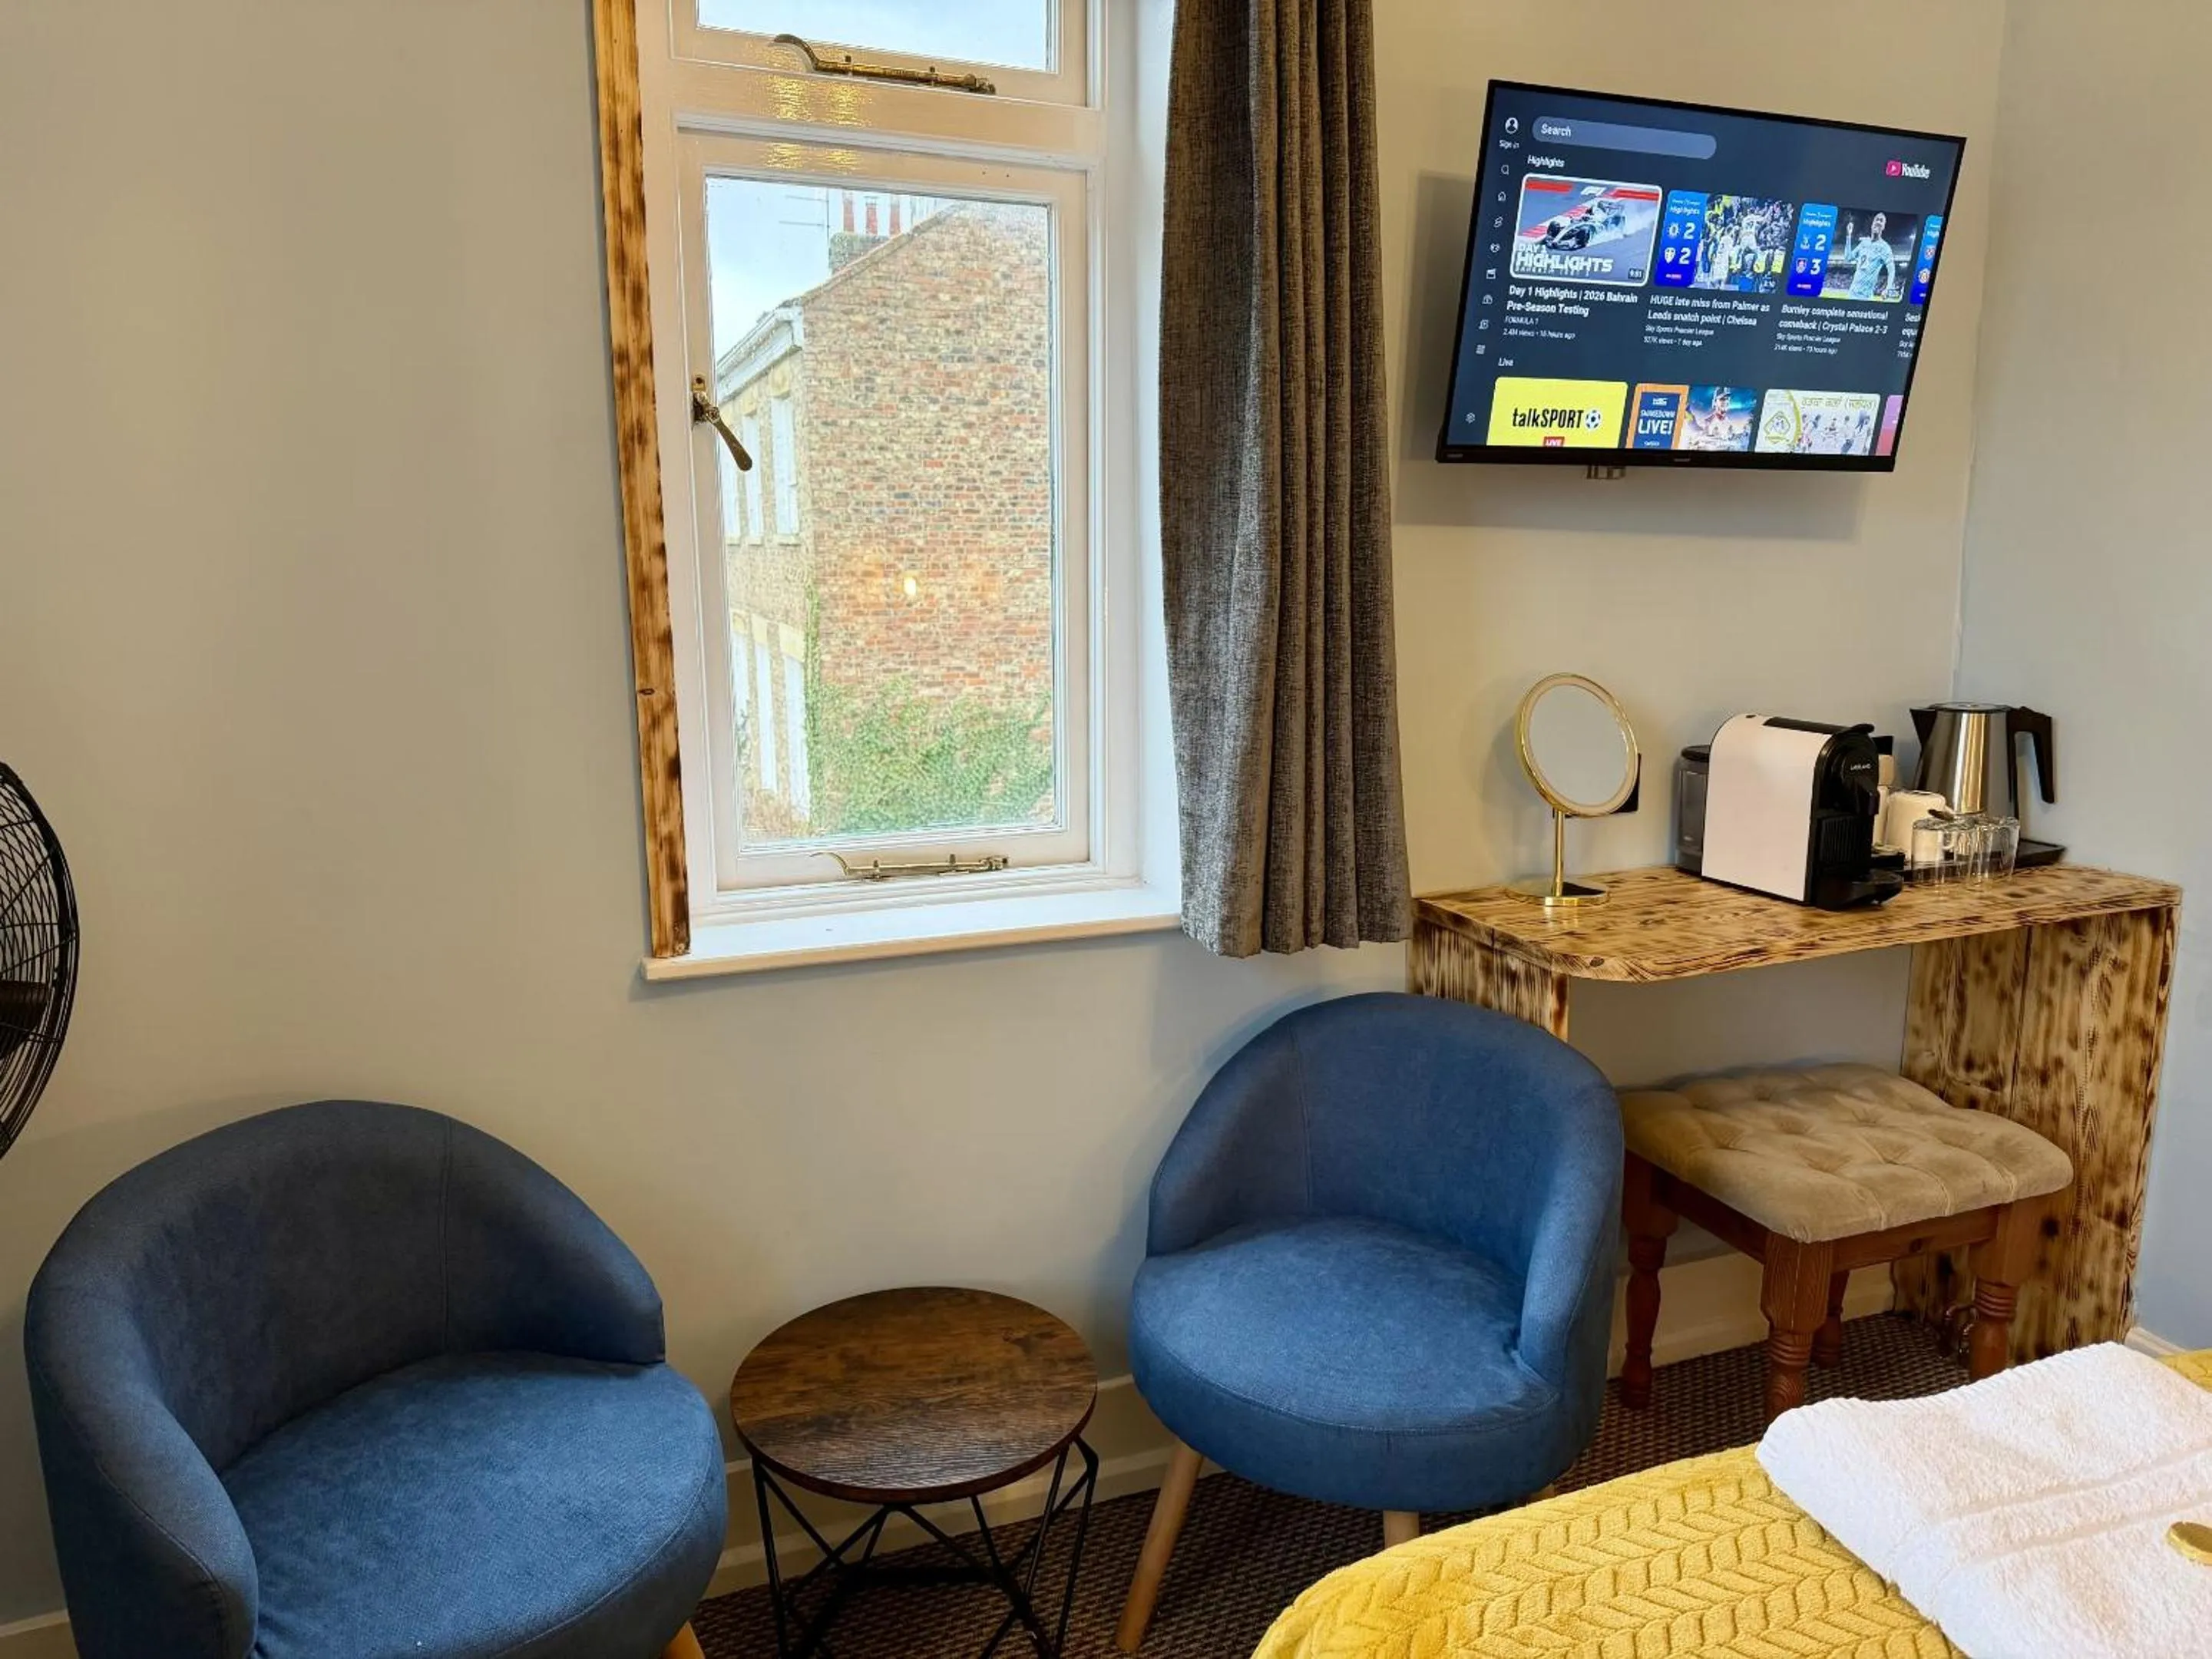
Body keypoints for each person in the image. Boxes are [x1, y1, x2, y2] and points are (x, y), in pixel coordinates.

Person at [1845, 211, 1900, 300]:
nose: (1878, 222)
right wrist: (1848, 236)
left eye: (1881, 221)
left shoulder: (1885, 248)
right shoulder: (1864, 243)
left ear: (1884, 227)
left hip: (1866, 298)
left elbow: (1892, 271)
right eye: (1877, 220)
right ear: (1872, 224)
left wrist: (1887, 289)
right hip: (1852, 293)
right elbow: (1848, 258)